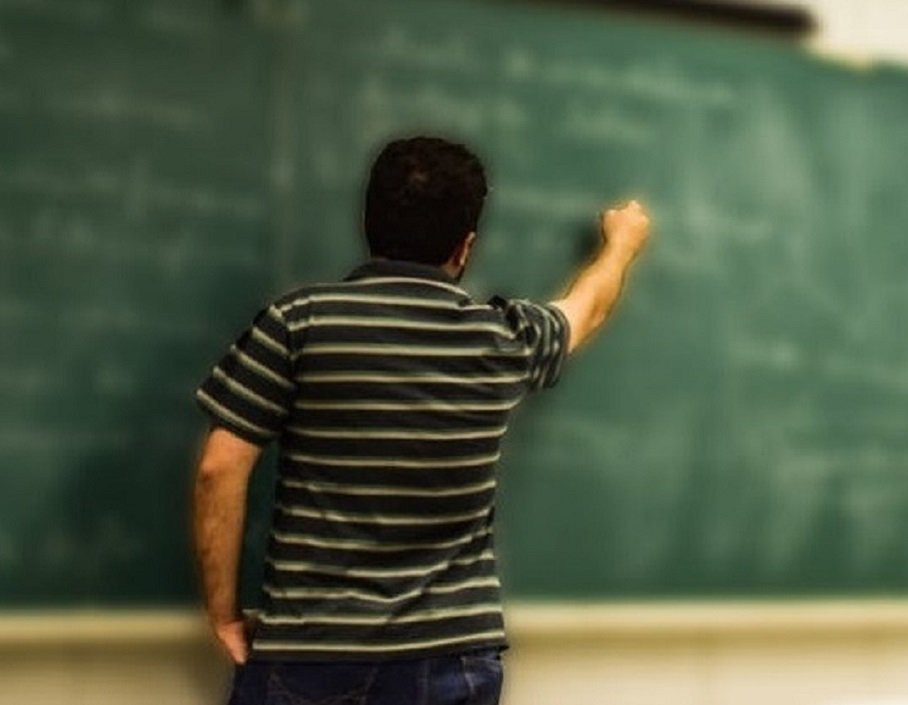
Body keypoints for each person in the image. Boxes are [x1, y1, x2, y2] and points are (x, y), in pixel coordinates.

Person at [191, 136, 651, 704]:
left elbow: (219, 468)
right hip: (449, 656)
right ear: (465, 247)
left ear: (367, 223)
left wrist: (223, 614)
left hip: (312, 650)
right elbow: (588, 307)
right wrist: (621, 244)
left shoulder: (296, 325)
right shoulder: (501, 337)